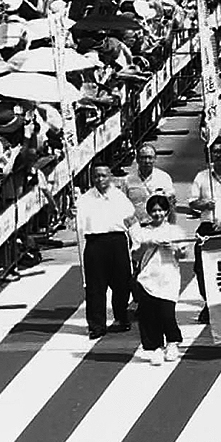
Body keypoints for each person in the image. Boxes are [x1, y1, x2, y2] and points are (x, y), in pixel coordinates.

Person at [77, 163, 136, 339]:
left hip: (117, 241)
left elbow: (130, 219)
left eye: (103, 175)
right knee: (95, 287)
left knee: (122, 284)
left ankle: (122, 316)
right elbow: (78, 226)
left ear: (110, 176)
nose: (100, 179)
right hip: (95, 243)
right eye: (96, 176)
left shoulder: (119, 197)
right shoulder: (84, 199)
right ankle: (96, 325)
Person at [129, 195, 190, 365]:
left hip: (168, 277)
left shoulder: (175, 231)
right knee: (148, 315)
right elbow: (135, 255)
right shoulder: (141, 231)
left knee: (166, 313)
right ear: (149, 212)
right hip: (147, 278)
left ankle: (172, 342)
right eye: (154, 210)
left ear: (167, 211)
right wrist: (148, 244)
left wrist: (174, 248)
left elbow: (183, 254)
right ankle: (154, 347)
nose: (157, 214)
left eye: (161, 210)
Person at [188, 138, 221, 323]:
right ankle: (209, 303)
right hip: (207, 228)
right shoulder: (202, 177)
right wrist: (205, 204)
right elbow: (192, 202)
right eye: (214, 152)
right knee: (202, 269)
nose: (217, 155)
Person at [122, 143, 174, 224]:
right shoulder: (127, 180)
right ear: (137, 159)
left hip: (160, 225)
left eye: (150, 157)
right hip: (136, 226)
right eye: (143, 157)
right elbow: (123, 206)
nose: (147, 161)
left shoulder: (164, 178)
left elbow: (171, 206)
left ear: (155, 159)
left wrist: (172, 227)